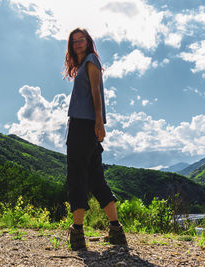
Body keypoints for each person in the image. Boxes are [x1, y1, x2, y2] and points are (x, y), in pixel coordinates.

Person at [63, 28, 127, 250]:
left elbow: (96, 92)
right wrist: (97, 123)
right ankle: (116, 230)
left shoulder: (91, 61)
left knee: (77, 175)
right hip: (87, 125)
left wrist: (99, 121)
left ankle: (78, 232)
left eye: (82, 40)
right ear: (71, 45)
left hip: (83, 124)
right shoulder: (84, 64)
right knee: (96, 178)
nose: (78, 43)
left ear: (88, 42)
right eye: (74, 41)